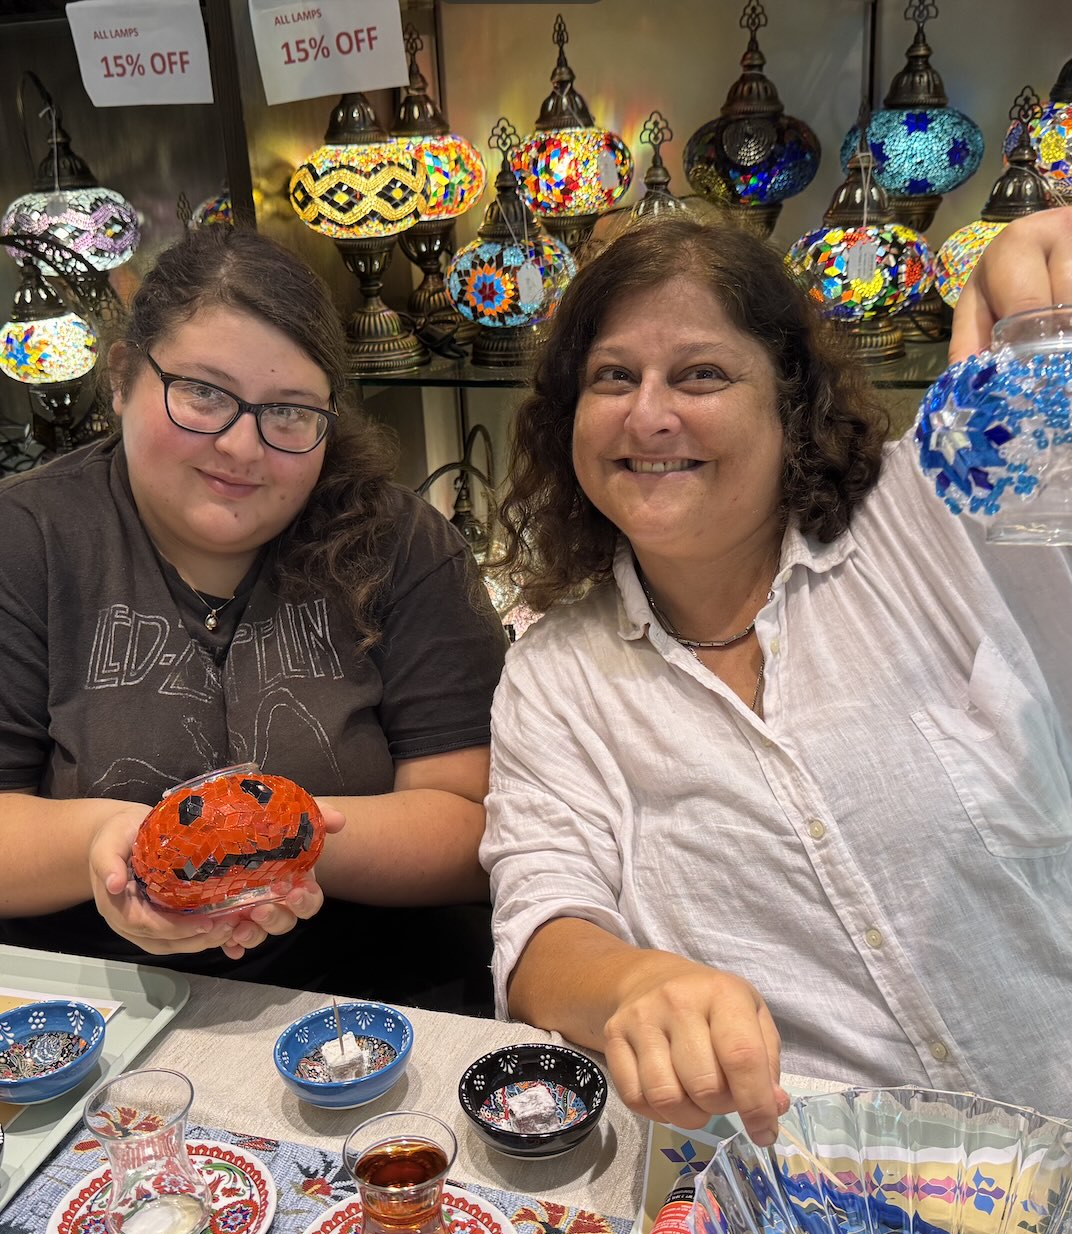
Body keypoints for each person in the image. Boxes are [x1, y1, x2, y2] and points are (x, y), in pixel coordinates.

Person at [482, 206, 1072, 1144]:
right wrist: (638, 982)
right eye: (612, 378)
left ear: (789, 399)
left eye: (702, 374)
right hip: (818, 1200)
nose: (649, 414)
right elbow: (541, 924)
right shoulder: (556, 673)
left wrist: (1037, 265)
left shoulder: (935, 515)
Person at [0, 226, 506, 994]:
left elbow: (473, 825)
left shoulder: (403, 543)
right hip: (99, 1000)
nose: (242, 447)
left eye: (291, 412)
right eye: (202, 392)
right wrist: (113, 846)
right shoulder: (27, 539)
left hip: (375, 994)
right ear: (122, 376)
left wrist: (271, 846)